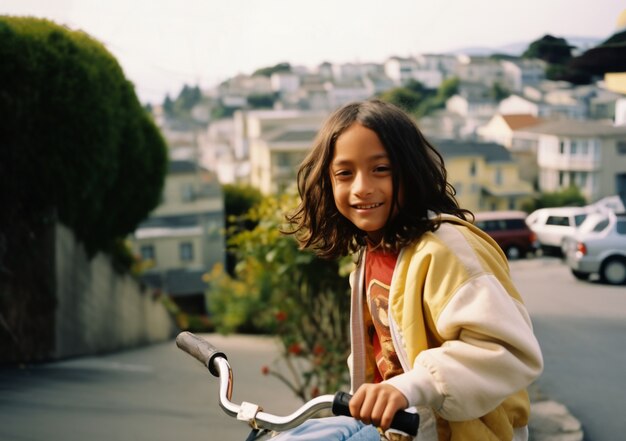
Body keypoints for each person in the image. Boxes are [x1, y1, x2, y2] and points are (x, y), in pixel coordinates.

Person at [276, 100, 543, 441]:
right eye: (345, 173)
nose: (361, 187)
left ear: (410, 170)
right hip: (397, 427)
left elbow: (510, 353)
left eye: (381, 169)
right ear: (327, 183)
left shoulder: (446, 250)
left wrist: (412, 386)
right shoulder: (370, 251)